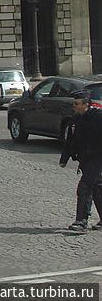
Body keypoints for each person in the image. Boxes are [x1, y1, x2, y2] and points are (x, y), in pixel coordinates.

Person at [58, 90, 102, 231]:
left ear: (86, 104)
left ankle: (81, 221)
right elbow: (70, 140)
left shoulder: (98, 116)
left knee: (84, 187)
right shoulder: (76, 118)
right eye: (74, 103)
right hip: (85, 158)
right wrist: (64, 158)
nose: (75, 106)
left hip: (97, 158)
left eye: (77, 104)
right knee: (97, 189)